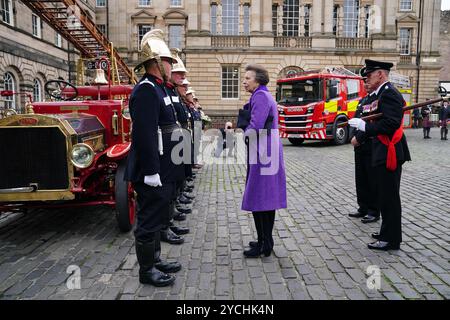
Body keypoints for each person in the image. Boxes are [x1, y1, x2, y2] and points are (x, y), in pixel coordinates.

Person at [124, 29, 184, 286]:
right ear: (158, 63)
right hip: (152, 167)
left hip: (163, 165)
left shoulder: (158, 88)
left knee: (158, 216)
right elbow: (145, 134)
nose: (172, 65)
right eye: (169, 61)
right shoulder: (147, 90)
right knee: (148, 221)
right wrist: (151, 171)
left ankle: (155, 259)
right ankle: (146, 271)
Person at [349, 59, 411, 251]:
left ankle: (391, 240)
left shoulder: (389, 93)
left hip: (390, 149)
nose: (366, 78)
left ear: (380, 75)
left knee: (390, 197)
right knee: (384, 195)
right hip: (382, 149)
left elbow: (391, 123)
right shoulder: (381, 93)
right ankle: (387, 231)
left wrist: (365, 127)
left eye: (369, 75)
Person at [241, 64, 287, 258]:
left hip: (263, 151)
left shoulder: (260, 96)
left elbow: (256, 125)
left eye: (247, 78)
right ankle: (265, 240)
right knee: (265, 198)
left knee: (261, 198)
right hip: (267, 149)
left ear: (257, 80)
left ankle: (264, 244)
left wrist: (240, 136)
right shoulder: (264, 95)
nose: (244, 81)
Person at [349, 69, 380, 224]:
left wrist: (359, 138)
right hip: (360, 146)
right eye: (364, 82)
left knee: (372, 180)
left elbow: (370, 123)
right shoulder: (363, 101)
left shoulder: (374, 101)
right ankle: (363, 207)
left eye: (368, 80)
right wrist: (353, 136)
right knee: (360, 179)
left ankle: (373, 211)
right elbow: (356, 120)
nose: (366, 83)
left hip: (369, 145)